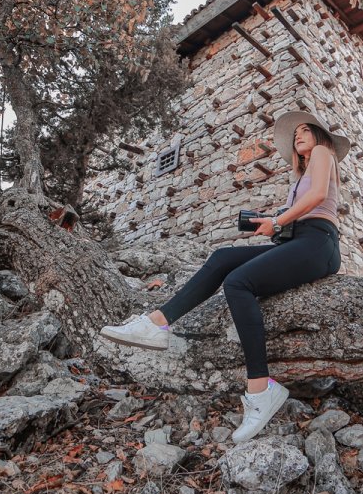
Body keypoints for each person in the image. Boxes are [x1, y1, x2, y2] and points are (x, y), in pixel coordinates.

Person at [99, 110, 349, 442]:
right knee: (222, 257)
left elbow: (318, 197)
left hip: (321, 243)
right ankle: (155, 324)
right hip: (304, 239)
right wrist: (272, 222)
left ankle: (261, 390)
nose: (298, 136)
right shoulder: (298, 176)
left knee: (238, 282)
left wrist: (277, 222)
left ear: (321, 137)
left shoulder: (322, 153)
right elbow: (299, 214)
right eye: (295, 133)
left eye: (306, 130)